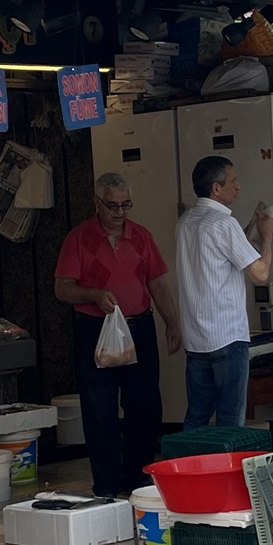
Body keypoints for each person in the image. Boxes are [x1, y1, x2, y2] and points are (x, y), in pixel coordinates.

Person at [55, 175, 183, 498]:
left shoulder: (141, 236)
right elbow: (62, 288)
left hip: (138, 326)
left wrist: (172, 321)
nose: (120, 212)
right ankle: (108, 486)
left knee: (146, 405)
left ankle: (138, 479)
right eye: (113, 205)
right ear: (97, 202)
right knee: (100, 410)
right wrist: (94, 294)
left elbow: (157, 282)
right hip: (95, 329)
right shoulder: (79, 239)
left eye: (126, 204)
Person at [175, 156, 273, 429]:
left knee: (197, 416)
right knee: (230, 419)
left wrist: (248, 229)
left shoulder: (185, 221)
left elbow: (219, 252)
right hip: (227, 337)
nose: (239, 186)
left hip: (196, 338)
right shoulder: (222, 224)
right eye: (233, 181)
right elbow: (260, 274)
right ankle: (224, 471)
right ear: (216, 189)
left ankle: (192, 471)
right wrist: (267, 236)